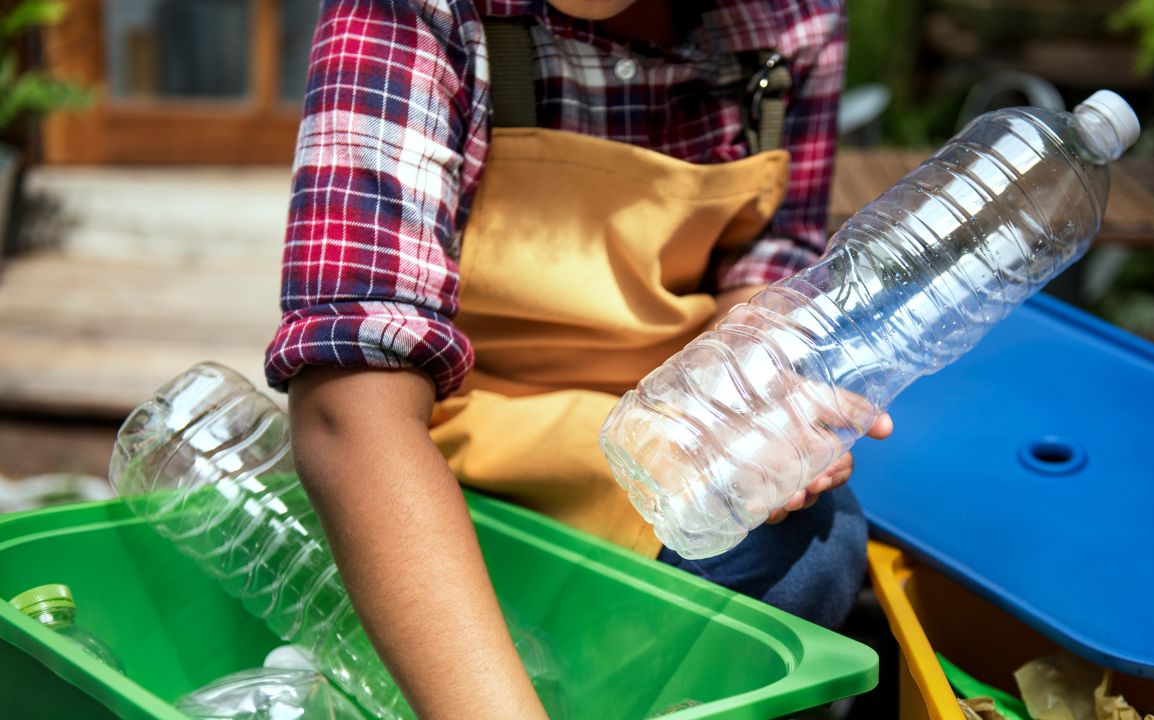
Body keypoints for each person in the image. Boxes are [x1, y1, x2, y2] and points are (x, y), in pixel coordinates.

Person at [265, 0, 892, 716]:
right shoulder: (417, 13)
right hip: (451, 449)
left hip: (655, 438)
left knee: (811, 545)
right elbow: (349, 408)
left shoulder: (791, 20)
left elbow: (768, 256)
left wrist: (751, 396)